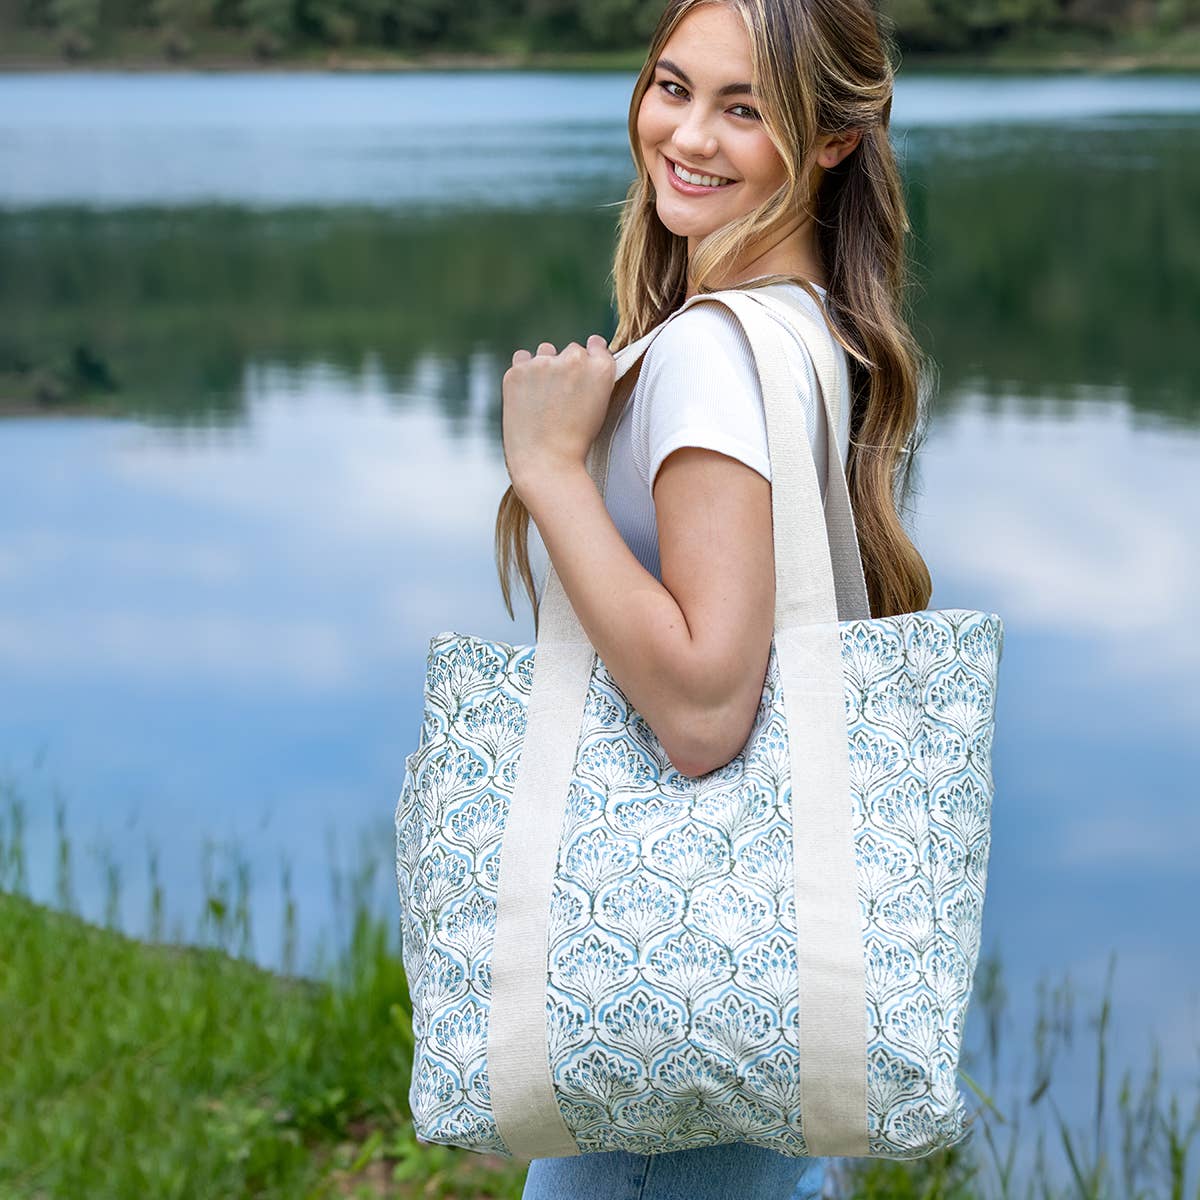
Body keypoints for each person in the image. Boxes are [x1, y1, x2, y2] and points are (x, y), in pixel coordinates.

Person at [493, 0, 933, 1196]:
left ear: (833, 137)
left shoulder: (707, 354)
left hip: (661, 1074)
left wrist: (547, 471)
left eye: (744, 108)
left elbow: (701, 712)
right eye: (672, 86)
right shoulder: (805, 332)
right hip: (759, 1037)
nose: (686, 135)